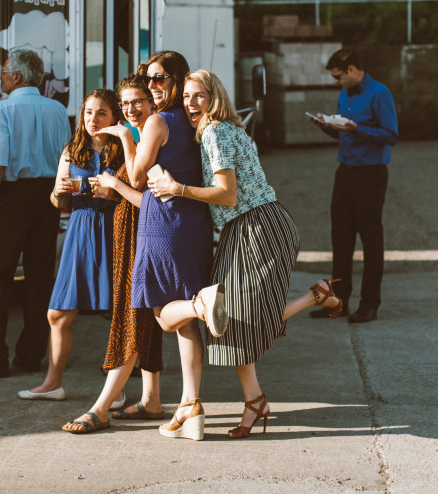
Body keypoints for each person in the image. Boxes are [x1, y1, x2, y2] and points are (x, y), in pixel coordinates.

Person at [148, 69, 344, 438]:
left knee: (234, 317)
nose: (191, 103)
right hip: (247, 227)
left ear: (214, 97)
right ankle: (255, 400)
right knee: (229, 320)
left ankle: (316, 296)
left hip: (259, 225)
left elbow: (227, 194)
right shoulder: (220, 130)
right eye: (186, 96)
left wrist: (176, 188)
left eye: (199, 96)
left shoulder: (217, 133)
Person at [112, 51, 219, 441]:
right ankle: (191, 407)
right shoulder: (197, 121)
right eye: (147, 78)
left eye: (159, 78)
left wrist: (128, 136)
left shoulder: (157, 122)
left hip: (162, 226)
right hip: (195, 223)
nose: (151, 85)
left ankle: (199, 304)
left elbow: (138, 177)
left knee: (164, 312)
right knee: (185, 327)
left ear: (176, 79)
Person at [60, 73, 166, 434]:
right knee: (149, 316)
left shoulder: (144, 136)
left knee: (132, 317)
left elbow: (147, 196)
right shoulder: (133, 136)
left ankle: (102, 407)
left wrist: (113, 183)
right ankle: (151, 399)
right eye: (125, 104)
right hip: (131, 236)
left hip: (143, 237)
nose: (131, 109)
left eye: (138, 101)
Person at [0, 49, 70, 378]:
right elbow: (67, 157)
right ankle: (31, 354)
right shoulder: (58, 110)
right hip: (47, 195)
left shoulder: (2, 109)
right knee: (39, 279)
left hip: (9, 196)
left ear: (18, 77)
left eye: (5, 72)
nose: (2, 77)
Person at [18, 89, 122, 407]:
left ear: (114, 117)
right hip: (79, 231)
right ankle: (53, 383)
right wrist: (60, 192)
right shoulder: (71, 150)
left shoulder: (122, 151)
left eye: (101, 112)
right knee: (58, 314)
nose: (93, 119)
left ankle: (117, 391)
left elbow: (136, 196)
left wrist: (111, 191)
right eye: (88, 112)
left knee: (120, 315)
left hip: (112, 232)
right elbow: (57, 202)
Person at [308, 47, 398, 324]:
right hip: (345, 171)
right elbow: (344, 136)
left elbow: (391, 135)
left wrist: (358, 129)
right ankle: (339, 301)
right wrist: (327, 126)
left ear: (352, 70)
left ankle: (369, 304)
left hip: (370, 174)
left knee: (371, 240)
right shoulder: (345, 93)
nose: (336, 82)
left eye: (338, 77)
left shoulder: (380, 93)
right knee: (341, 237)